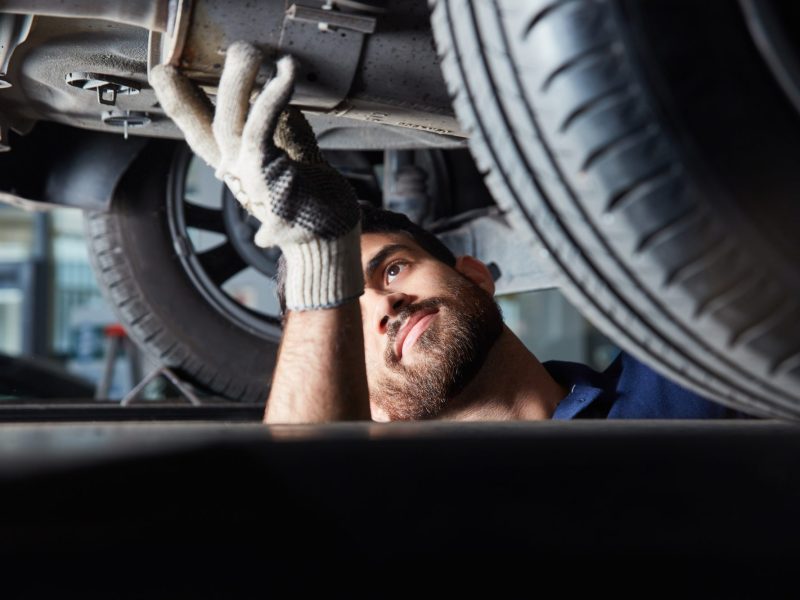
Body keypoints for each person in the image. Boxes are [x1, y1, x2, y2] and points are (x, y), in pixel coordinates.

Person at [151, 42, 747, 423]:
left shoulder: (681, 379)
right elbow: (301, 522)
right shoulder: (420, 521)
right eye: (353, 317)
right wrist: (314, 257)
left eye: (392, 268)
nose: (383, 305)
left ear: (476, 275)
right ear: (369, 408)